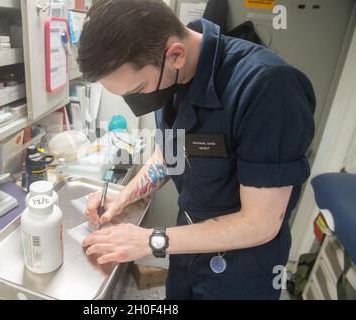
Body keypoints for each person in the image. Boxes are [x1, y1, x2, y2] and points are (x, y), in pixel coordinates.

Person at [78, 0, 315, 300]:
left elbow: (261, 223)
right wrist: (124, 196)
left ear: (175, 54)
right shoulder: (170, 76)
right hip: (186, 242)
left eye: (137, 90)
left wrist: (152, 241)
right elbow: (171, 152)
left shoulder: (268, 87)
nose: (136, 101)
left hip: (241, 267)